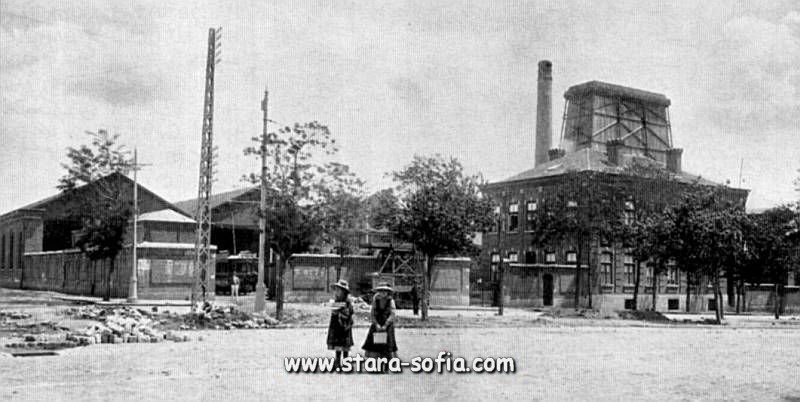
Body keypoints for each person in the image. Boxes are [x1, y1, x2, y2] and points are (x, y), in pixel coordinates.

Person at [362, 282, 398, 371]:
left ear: (387, 292)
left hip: (387, 325)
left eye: (385, 291)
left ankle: (386, 366)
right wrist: (376, 324)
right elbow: (372, 313)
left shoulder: (391, 301)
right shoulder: (376, 300)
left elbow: (393, 314)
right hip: (377, 324)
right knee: (375, 346)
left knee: (387, 346)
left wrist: (386, 324)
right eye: (381, 291)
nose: (383, 293)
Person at [326, 279, 354, 370]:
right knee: (337, 343)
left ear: (344, 292)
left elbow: (350, 312)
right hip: (336, 325)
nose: (337, 292)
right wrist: (335, 309)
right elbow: (333, 309)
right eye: (336, 290)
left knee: (345, 344)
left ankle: (346, 361)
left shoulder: (348, 301)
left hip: (345, 324)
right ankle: (338, 361)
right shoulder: (336, 300)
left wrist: (343, 313)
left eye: (339, 290)